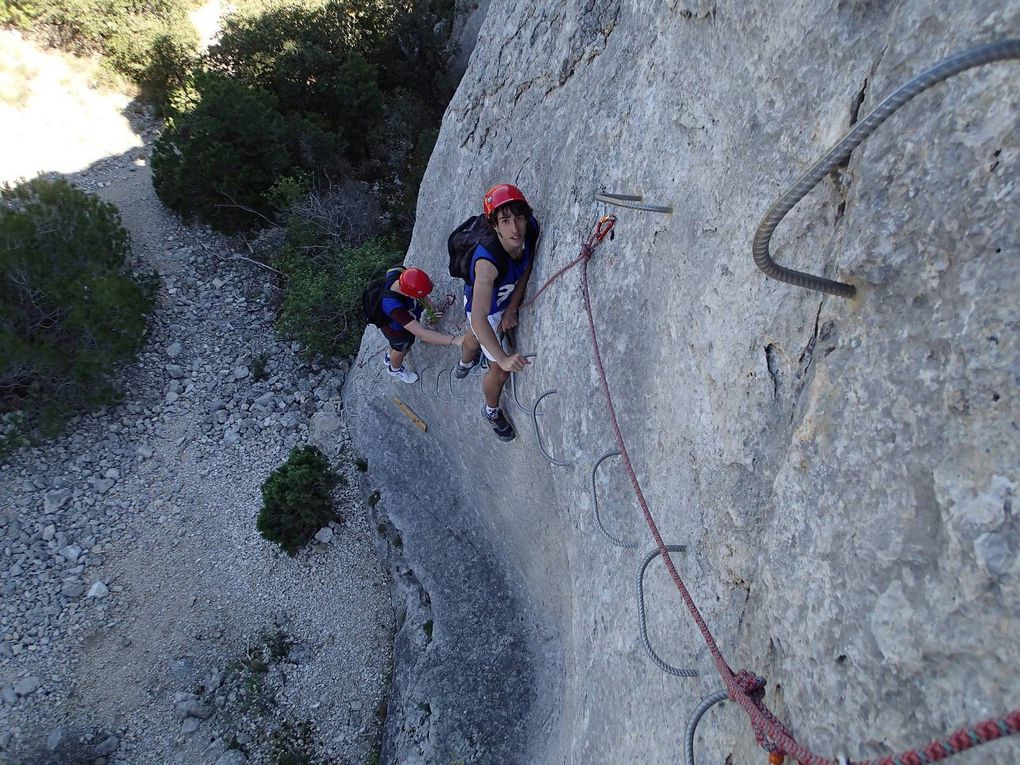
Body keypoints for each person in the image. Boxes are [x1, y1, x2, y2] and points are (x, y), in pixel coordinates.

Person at [454, 184, 538, 441]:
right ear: (494, 225)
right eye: (505, 221)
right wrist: (501, 359)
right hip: (484, 309)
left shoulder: (530, 230)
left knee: (475, 338)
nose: (515, 229)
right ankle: (491, 410)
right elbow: (479, 317)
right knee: (500, 371)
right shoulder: (487, 262)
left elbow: (526, 265)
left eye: (519, 218)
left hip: (502, 301)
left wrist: (512, 307)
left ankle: (465, 361)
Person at [379, 267, 464, 383]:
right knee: (402, 348)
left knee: (396, 344)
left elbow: (420, 292)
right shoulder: (393, 307)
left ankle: (390, 354)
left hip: (394, 325)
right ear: (407, 293)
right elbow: (422, 334)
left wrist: (432, 309)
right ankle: (395, 369)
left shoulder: (400, 274)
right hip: (396, 330)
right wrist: (455, 340)